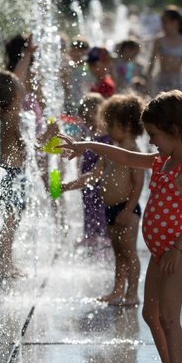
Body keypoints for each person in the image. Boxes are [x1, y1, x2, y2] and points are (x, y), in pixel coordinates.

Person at [58, 90, 182, 363]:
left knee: (169, 318)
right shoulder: (163, 160)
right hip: (160, 252)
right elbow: (122, 156)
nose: (151, 141)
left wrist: (177, 248)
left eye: (155, 135)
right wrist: (87, 145)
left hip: (176, 256)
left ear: (175, 131)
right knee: (150, 313)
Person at [61, 94, 146, 305]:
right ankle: (117, 291)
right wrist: (66, 186)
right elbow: (93, 176)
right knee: (119, 254)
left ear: (126, 125)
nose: (106, 128)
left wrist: (128, 209)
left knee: (130, 254)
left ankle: (133, 293)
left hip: (127, 210)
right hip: (111, 209)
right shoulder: (111, 151)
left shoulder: (134, 152)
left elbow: (138, 184)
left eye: (110, 124)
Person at [0, 69, 55, 281]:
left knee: (11, 221)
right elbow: (30, 150)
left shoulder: (8, 114)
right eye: (19, 83)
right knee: (11, 221)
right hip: (13, 175)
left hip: (10, 173)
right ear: (17, 94)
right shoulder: (15, 117)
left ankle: (5, 261)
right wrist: (48, 135)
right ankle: (3, 264)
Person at [75, 92, 110, 248]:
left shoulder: (108, 138)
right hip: (87, 181)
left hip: (101, 181)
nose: (90, 124)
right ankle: (89, 235)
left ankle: (103, 236)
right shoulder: (88, 135)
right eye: (86, 121)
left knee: (101, 209)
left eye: (92, 119)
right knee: (88, 207)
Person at [146, 6, 182, 96]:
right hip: (162, 80)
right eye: (162, 22)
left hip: (178, 81)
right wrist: (148, 80)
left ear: (175, 23)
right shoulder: (159, 40)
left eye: (165, 22)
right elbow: (152, 62)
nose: (162, 25)